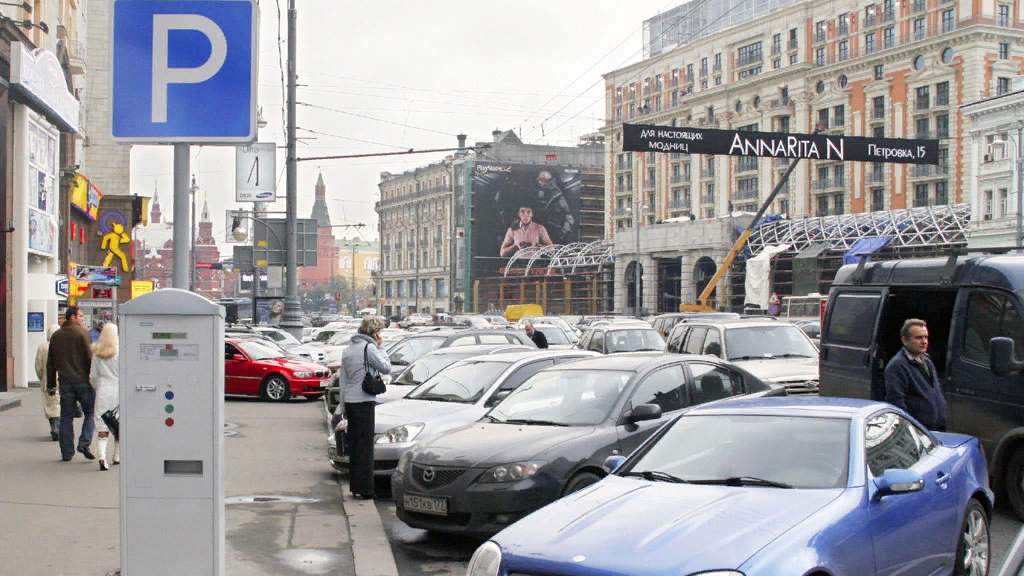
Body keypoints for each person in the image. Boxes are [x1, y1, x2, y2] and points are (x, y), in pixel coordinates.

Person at [339, 316, 391, 499]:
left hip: (351, 403)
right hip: (364, 401)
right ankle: (367, 490)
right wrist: (381, 347)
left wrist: (343, 405)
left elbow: (343, 380)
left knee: (355, 446)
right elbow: (386, 367)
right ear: (375, 333)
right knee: (366, 447)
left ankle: (355, 487)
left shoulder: (347, 349)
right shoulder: (369, 348)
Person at [47, 306, 96, 461]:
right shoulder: (82, 333)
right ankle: (84, 442)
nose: (82, 319)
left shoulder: (56, 336)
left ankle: (67, 452)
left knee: (66, 417)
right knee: (91, 412)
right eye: (81, 316)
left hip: (65, 383)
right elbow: (90, 358)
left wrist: (51, 384)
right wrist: (94, 378)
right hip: (83, 381)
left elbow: (51, 363)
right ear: (73, 317)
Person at [884, 318, 948, 431]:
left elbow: (936, 390)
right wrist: (911, 430)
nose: (924, 342)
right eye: (919, 338)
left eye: (926, 337)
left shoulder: (927, 360)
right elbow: (896, 403)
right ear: (905, 340)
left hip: (935, 429)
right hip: (918, 432)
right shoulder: (897, 366)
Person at [90, 323, 120, 471]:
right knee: (117, 423)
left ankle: (102, 456)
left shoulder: (97, 351)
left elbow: (93, 376)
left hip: (102, 389)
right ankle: (116, 455)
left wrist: (97, 387)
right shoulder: (121, 351)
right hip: (117, 389)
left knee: (102, 423)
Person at [35, 324, 62, 441]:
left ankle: (54, 427)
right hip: (62, 380)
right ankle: (57, 428)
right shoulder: (63, 346)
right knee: (58, 405)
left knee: (50, 405)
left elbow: (38, 365)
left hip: (47, 380)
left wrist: (41, 377)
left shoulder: (42, 347)